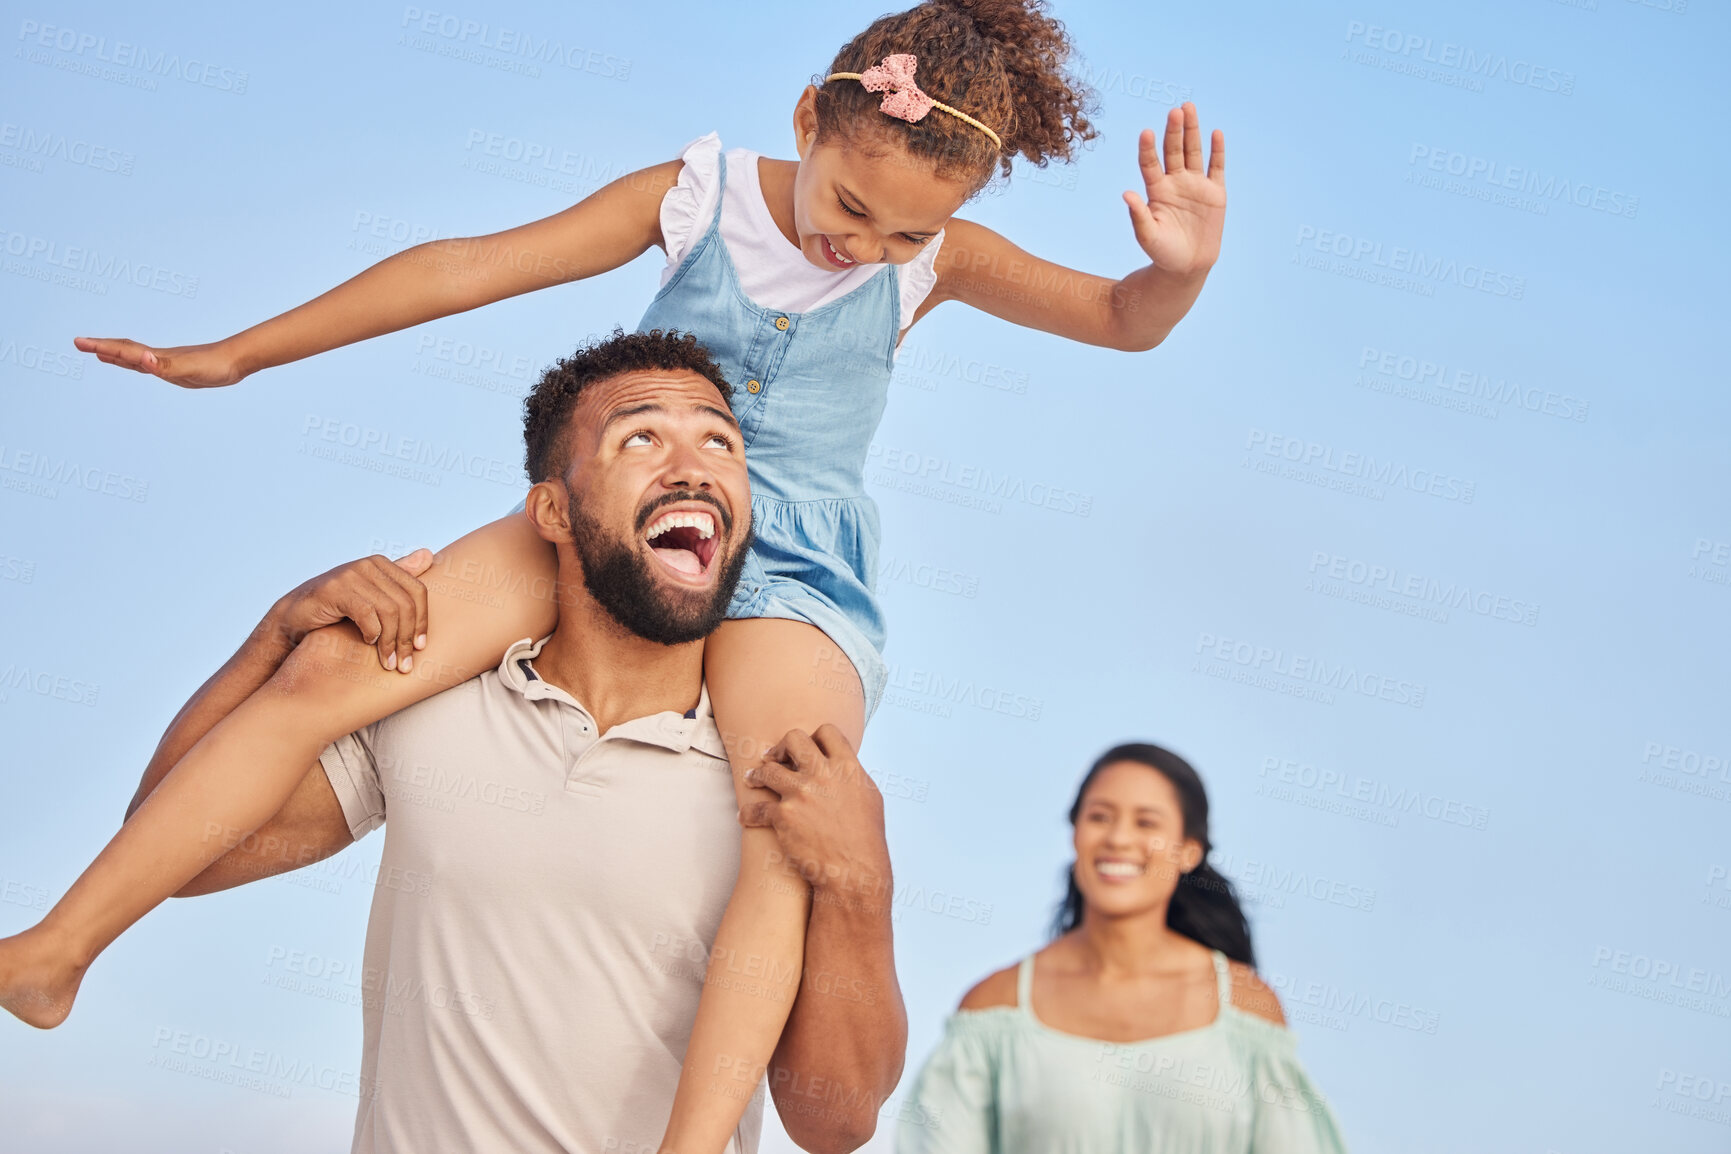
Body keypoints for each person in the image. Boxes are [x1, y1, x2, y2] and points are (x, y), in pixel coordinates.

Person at [7, 2, 1225, 1148]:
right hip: (627, 505)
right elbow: (467, 267)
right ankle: (60, 946)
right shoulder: (696, 197)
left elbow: (1122, 316)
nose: (862, 246)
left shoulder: (937, 261)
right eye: (852, 205)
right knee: (333, 666)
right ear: (808, 120)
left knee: (779, 823)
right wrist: (242, 353)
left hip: (788, 557)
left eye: (904, 234)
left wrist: (1176, 270)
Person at [140, 330, 903, 1152]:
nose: (693, 466)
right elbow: (175, 854)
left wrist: (861, 888)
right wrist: (273, 641)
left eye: (720, 440)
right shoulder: (431, 708)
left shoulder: (778, 778)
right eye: (639, 437)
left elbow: (836, 1123)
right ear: (551, 511)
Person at [897, 744, 1349, 1153]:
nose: (1117, 838)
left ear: (1189, 851)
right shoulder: (994, 1009)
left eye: (1146, 822)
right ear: (1075, 833)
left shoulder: (1246, 1011)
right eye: (1099, 817)